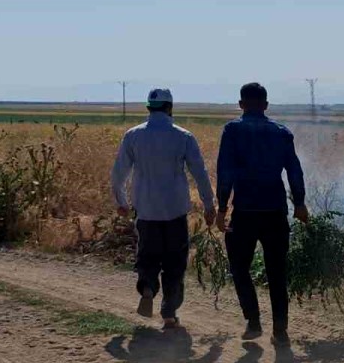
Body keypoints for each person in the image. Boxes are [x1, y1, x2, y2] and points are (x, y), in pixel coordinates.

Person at [111, 88, 216, 329]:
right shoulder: (184, 136)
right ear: (170, 107)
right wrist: (209, 205)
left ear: (149, 107)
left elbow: (118, 174)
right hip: (175, 211)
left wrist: (121, 202)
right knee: (175, 264)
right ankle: (169, 313)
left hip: (146, 212)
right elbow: (200, 173)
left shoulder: (133, 135)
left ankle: (148, 287)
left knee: (148, 256)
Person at [216, 82, 308, 346]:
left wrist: (222, 208)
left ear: (241, 104)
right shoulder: (281, 132)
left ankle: (253, 321)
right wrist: (299, 203)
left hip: (245, 212)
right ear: (266, 105)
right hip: (275, 211)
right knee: (277, 272)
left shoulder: (232, 130)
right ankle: (280, 330)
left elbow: (225, 172)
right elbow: (294, 171)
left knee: (239, 267)